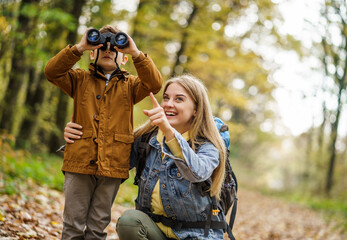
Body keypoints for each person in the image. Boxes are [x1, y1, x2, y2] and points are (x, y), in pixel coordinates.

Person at [64, 75, 227, 239]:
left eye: (179, 99)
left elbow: (196, 172)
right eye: (166, 97)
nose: (168, 104)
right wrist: (78, 137)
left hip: (197, 235)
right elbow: (108, 161)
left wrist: (169, 132)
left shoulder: (208, 145)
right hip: (155, 232)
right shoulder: (146, 139)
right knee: (130, 221)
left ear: (196, 109)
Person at [44, 25, 163, 240]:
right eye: (102, 47)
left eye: (115, 49)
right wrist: (79, 47)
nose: (108, 50)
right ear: (92, 52)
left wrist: (136, 53)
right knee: (72, 224)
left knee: (97, 226)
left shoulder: (131, 86)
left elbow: (154, 83)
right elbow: (52, 72)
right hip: (79, 160)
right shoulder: (79, 80)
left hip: (113, 164)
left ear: (123, 58)